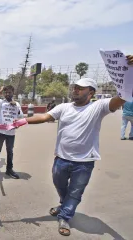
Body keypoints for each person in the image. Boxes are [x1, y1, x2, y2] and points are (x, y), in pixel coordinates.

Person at [25, 76, 128, 236]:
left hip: (84, 162)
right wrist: (21, 121)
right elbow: (44, 117)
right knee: (60, 186)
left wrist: (129, 74)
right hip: (61, 159)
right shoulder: (64, 107)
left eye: (81, 88)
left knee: (75, 193)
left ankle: (64, 216)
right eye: (75, 87)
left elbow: (121, 98)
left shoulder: (98, 107)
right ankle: (64, 205)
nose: (75, 90)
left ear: (91, 92)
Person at [0, 85, 23, 179]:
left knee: (10, 151)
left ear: (13, 93)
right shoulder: (1, 102)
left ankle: (9, 169)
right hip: (0, 131)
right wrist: (0, 90)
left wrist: (16, 118)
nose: (7, 94)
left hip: (11, 133)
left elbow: (21, 117)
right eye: (6, 92)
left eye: (9, 92)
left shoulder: (16, 104)